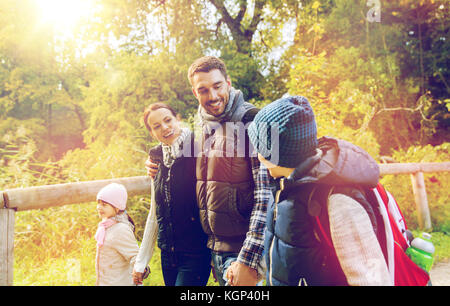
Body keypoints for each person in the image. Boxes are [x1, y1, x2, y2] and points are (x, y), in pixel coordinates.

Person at [146, 56, 271, 286]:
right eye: (203, 90)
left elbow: (266, 197)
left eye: (217, 86)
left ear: (229, 83)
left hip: (245, 254)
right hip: (218, 252)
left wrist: (248, 261)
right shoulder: (203, 127)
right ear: (195, 93)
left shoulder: (252, 122)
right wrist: (155, 165)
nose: (212, 96)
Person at [247, 96, 393, 286]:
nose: (257, 155)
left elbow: (371, 279)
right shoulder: (285, 187)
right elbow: (283, 247)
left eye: (260, 148)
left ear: (279, 155)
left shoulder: (338, 200)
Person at [133, 103, 211, 286]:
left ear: (178, 119)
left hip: (195, 252)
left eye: (168, 120)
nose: (165, 128)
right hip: (168, 255)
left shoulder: (198, 151)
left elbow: (212, 207)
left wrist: (217, 252)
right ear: (152, 133)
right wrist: (141, 261)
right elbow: (155, 214)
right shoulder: (156, 161)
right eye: (156, 126)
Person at [95, 183, 141, 286]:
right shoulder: (105, 226)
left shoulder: (121, 229)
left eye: (104, 205)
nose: (99, 207)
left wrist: (140, 271)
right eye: (98, 203)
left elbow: (135, 256)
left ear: (117, 208)